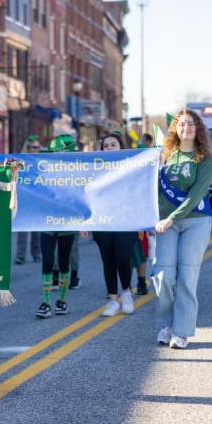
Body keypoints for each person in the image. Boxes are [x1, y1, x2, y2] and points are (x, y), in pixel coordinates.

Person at [153, 109, 212, 349]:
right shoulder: (165, 155)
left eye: (190, 124)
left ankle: (181, 331)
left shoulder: (205, 159)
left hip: (196, 221)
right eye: (181, 124)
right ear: (175, 129)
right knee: (163, 276)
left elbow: (195, 195)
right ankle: (165, 325)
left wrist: (172, 218)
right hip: (165, 223)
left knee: (187, 278)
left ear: (197, 128)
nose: (186, 128)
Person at [93, 133, 137, 316]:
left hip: (126, 220)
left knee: (123, 258)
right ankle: (113, 299)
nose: (110, 148)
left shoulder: (133, 165)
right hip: (103, 220)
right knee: (108, 260)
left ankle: (126, 292)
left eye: (113, 144)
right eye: (106, 146)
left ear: (121, 146)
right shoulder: (94, 168)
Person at [36, 135, 77, 319]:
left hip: (67, 223)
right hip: (46, 222)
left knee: (63, 261)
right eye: (53, 152)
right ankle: (45, 302)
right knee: (46, 261)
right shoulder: (42, 168)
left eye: (58, 151)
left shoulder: (76, 170)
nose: (55, 155)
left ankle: (62, 301)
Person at [15, 135, 42, 265]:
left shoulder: (41, 162)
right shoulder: (20, 161)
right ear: (28, 148)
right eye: (33, 147)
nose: (36, 149)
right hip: (24, 198)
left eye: (38, 147)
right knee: (22, 229)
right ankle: (20, 256)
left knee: (36, 228)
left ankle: (36, 254)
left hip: (37, 198)